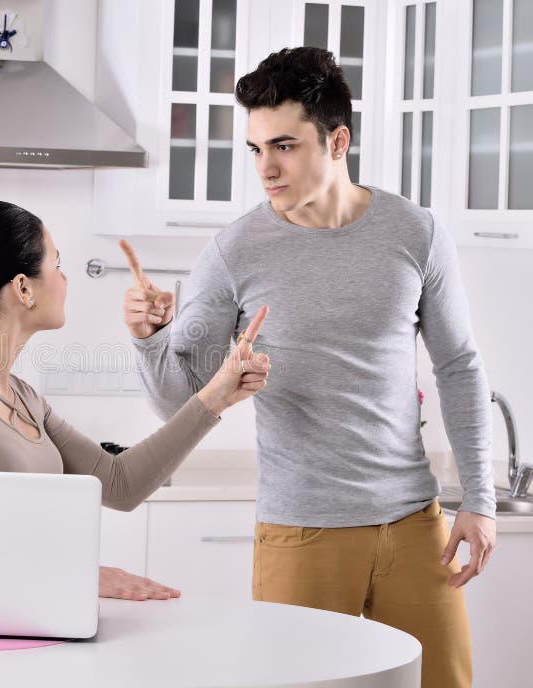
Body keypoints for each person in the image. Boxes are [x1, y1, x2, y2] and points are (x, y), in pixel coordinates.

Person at [121, 47, 495, 687]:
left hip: (413, 525)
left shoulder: (416, 233)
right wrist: (150, 339)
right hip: (301, 533)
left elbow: (458, 365)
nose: (266, 168)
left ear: (338, 140)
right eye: (255, 149)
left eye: (285, 146)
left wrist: (480, 498)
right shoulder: (233, 252)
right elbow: (176, 401)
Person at [0, 200, 270, 602]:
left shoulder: (24, 398)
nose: (65, 279)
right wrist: (72, 574)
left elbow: (121, 484)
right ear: (23, 288)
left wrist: (216, 396)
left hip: (29, 632)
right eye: (57, 265)